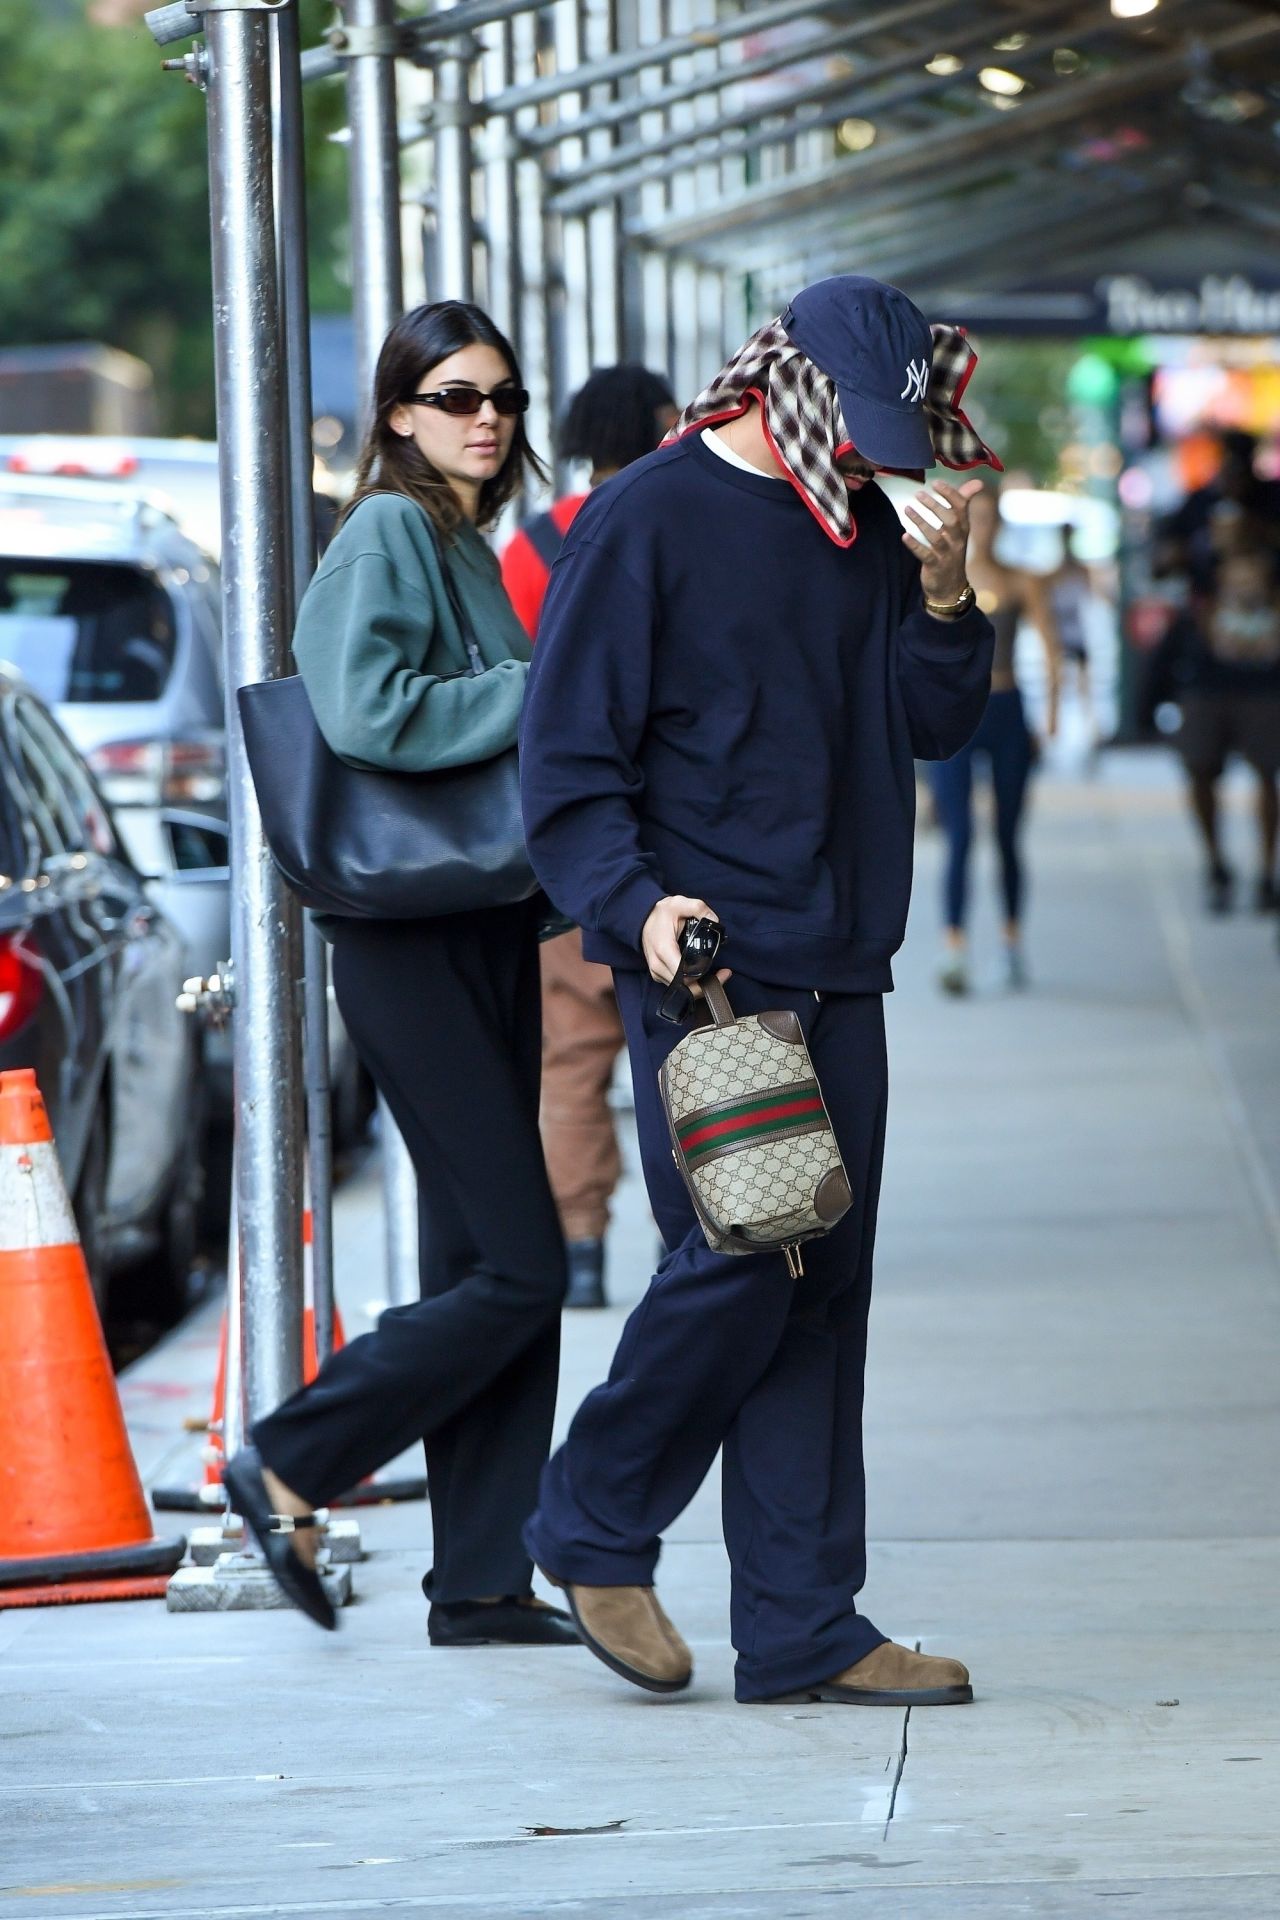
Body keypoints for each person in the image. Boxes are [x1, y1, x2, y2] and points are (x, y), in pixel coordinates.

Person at [518, 274, 999, 1708]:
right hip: (711, 961)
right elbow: (568, 761)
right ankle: (594, 1519)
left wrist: (946, 590)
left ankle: (802, 1624)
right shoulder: (650, 517)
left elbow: (932, 724)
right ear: (772, 377)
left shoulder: (871, 521)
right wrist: (636, 904)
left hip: (845, 953)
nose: (865, 453)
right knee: (746, 1253)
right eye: (848, 424)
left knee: (819, 1279)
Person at [224, 301, 575, 1647]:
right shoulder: (386, 530)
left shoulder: (459, 540)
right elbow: (367, 711)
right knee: (525, 1266)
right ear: (397, 415)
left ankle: (481, 1581)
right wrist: (536, 690)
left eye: (502, 398)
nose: (488, 418)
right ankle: (295, 1454)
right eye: (457, 395)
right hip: (405, 939)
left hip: (474, 922)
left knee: (478, 1256)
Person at [501, 366, 677, 1309]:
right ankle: (682, 1235)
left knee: (571, 1056)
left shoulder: (531, 546)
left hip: (570, 845)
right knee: (686, 1042)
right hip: (677, 844)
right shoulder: (680, 521)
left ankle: (577, 1248)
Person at [927, 487, 1060, 994]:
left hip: (1006, 708)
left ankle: (1010, 943)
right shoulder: (943, 577)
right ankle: (954, 948)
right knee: (958, 835)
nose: (984, 528)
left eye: (991, 518)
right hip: (959, 715)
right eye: (975, 518)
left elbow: (1050, 643)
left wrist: (1050, 713)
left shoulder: (1021, 580)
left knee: (1007, 835)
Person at [1144, 541, 1280, 912]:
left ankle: (1267, 871)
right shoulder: (1201, 608)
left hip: (1263, 694)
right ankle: (1217, 862)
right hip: (1208, 693)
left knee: (1267, 776)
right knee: (1200, 773)